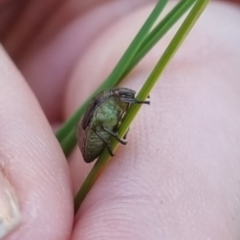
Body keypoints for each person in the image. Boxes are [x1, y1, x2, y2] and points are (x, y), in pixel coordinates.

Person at [0, 0, 240, 239]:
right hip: (92, 138)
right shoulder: (108, 103)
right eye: (126, 99)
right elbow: (97, 123)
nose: (129, 102)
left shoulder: (114, 102)